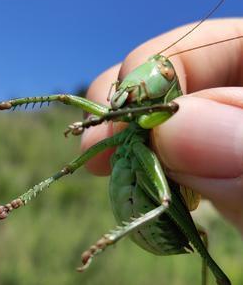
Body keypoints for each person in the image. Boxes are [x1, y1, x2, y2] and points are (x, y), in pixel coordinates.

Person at [81, 18, 243, 234]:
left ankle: (108, 241)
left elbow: (168, 111)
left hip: (158, 193)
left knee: (196, 233)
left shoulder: (169, 112)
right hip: (137, 168)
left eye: (165, 72)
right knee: (66, 104)